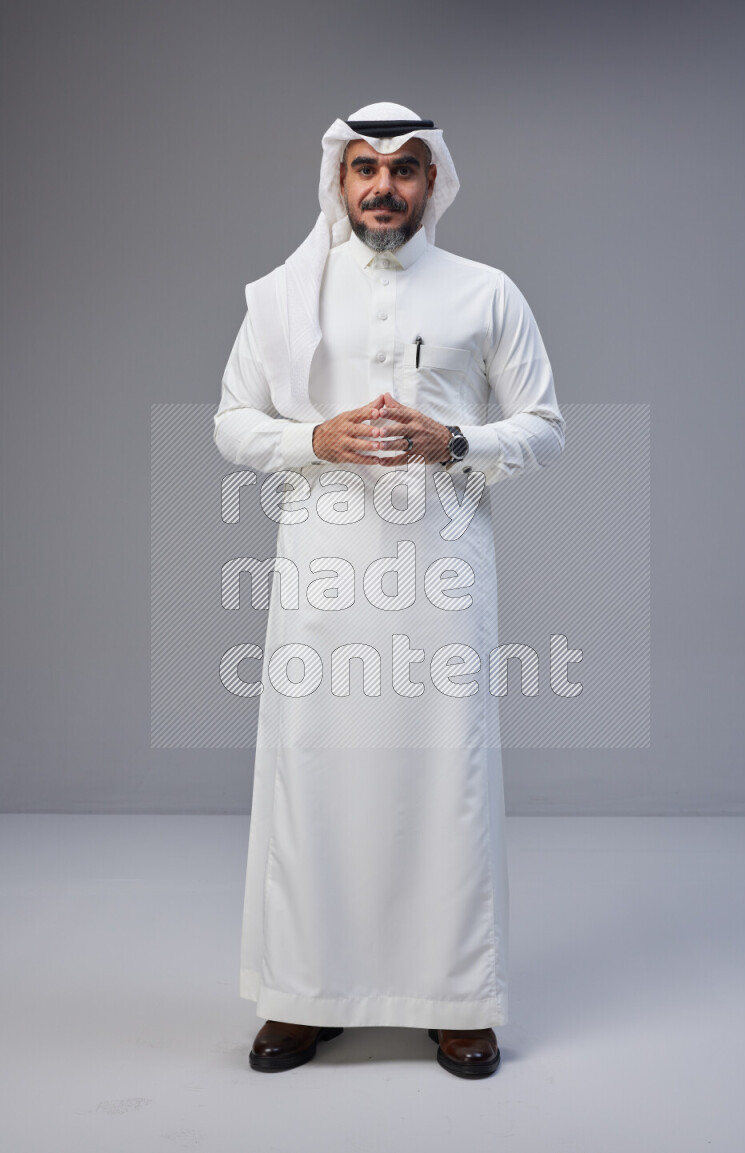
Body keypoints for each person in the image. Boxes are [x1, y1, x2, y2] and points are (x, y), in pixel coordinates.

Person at [213, 101, 565, 1079]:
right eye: (364, 167)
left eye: (403, 168)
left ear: (431, 181)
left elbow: (542, 425)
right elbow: (231, 419)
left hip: (441, 577)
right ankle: (301, 995)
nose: (382, 185)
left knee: (441, 778)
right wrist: (308, 439)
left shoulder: (483, 292)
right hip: (321, 576)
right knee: (315, 774)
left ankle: (455, 998)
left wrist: (453, 440)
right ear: (337, 179)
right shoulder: (287, 297)